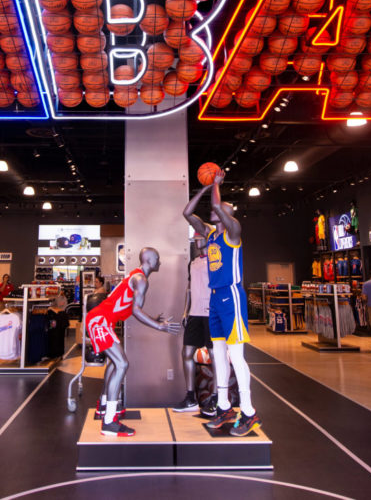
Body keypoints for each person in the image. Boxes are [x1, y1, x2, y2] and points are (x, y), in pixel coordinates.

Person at [184, 170, 261, 437]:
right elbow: (187, 213)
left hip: (232, 296)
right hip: (215, 297)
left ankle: (249, 412)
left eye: (223, 209)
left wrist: (216, 185)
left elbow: (217, 205)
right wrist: (205, 189)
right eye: (218, 209)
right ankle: (224, 407)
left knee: (236, 356)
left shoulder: (233, 232)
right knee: (218, 354)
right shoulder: (211, 234)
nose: (216, 210)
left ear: (229, 215)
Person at [86, 247, 180, 436]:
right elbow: (136, 311)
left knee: (115, 363)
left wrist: (154, 318)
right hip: (100, 321)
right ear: (150, 261)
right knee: (122, 364)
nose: (160, 262)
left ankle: (103, 408)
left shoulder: (135, 277)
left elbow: (130, 309)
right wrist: (159, 326)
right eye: (158, 259)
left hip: (102, 321)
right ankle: (109, 422)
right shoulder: (141, 280)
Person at [173, 233, 217, 416]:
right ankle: (190, 397)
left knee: (215, 354)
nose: (196, 240)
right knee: (186, 352)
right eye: (195, 237)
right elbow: (189, 289)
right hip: (194, 313)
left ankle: (217, 397)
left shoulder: (215, 261)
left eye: (200, 236)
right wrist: (185, 311)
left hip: (211, 312)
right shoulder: (193, 263)